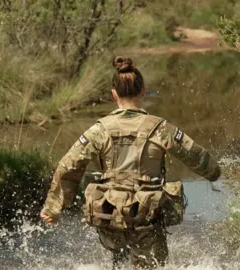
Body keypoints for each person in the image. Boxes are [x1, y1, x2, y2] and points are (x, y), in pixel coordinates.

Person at [40, 56, 221, 269]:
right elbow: (195, 156)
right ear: (143, 90)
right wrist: (215, 173)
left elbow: (69, 166)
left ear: (114, 94)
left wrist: (53, 207)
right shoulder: (160, 128)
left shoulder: (99, 129)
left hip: (111, 217)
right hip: (147, 218)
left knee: (119, 262)